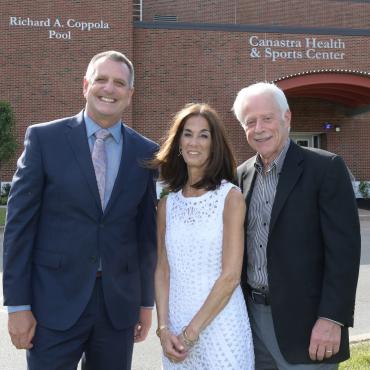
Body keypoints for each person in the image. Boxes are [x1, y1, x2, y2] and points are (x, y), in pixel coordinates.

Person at [2, 50, 158, 370]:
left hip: (117, 308)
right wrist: (17, 305)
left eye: (119, 83)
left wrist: (145, 302)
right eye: (101, 79)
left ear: (130, 94)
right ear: (85, 85)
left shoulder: (146, 152)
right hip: (53, 304)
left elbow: (144, 236)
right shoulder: (44, 139)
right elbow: (19, 228)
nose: (108, 89)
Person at [233, 82, 361, 370]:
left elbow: (344, 252)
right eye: (250, 122)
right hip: (251, 322)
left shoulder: (326, 168)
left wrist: (332, 319)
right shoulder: (240, 176)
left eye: (267, 118)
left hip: (308, 326)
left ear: (286, 118)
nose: (259, 128)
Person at [153, 103, 254, 369]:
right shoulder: (167, 205)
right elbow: (163, 269)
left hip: (220, 325)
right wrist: (164, 329)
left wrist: (191, 333)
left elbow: (231, 276)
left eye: (203, 135)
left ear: (214, 144)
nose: (194, 142)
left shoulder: (230, 197)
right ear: (178, 142)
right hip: (175, 330)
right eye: (187, 134)